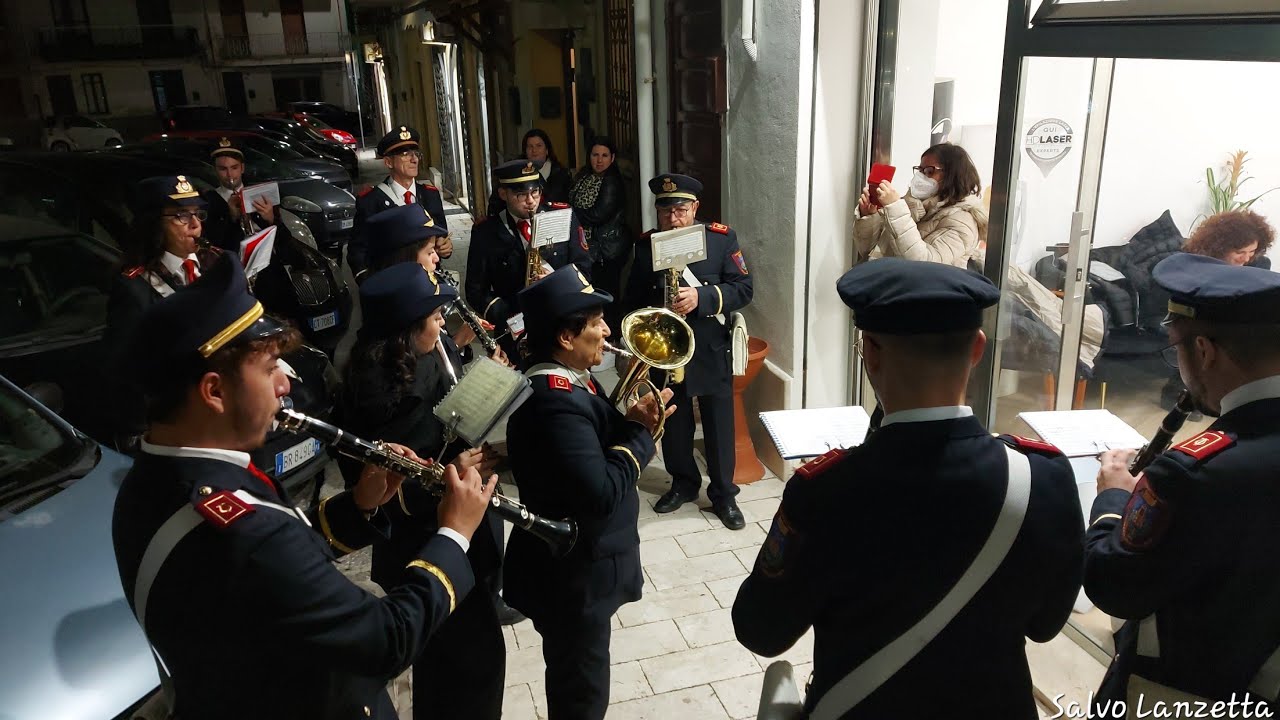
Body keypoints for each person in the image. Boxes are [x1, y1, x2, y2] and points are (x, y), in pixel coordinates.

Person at [110, 253, 496, 720]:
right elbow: (385, 639)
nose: (285, 386)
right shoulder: (243, 530)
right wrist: (454, 533)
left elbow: (279, 581)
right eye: (271, 367)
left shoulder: (150, 480)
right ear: (213, 392)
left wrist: (358, 507)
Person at [733, 258, 1084, 719]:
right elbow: (1044, 625)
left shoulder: (824, 492)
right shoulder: (1043, 478)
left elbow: (761, 630)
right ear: (977, 349)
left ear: (871, 352)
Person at [1085, 253, 1280, 715]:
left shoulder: (1192, 472)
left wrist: (1114, 497)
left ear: (1206, 352)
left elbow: (1112, 583)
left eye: (1177, 347)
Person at [503, 265, 673, 720]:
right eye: (595, 322)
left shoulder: (567, 378)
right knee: (582, 693)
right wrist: (639, 436)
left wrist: (624, 418)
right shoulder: (555, 399)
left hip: (571, 572)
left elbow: (587, 441)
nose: (607, 331)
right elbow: (598, 492)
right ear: (564, 337)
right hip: (574, 579)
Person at [341, 262, 507, 720]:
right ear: (404, 331)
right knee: (468, 667)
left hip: (457, 530)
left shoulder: (422, 358)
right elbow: (388, 489)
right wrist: (452, 465)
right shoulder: (383, 394)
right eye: (434, 318)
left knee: (468, 661)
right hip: (423, 544)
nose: (443, 324)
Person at [626, 173, 753, 530]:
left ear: (695, 208)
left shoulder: (720, 240)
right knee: (674, 419)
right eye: (665, 211)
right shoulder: (645, 244)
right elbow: (633, 298)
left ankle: (724, 494)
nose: (673, 218)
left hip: (710, 345)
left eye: (680, 210)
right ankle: (683, 482)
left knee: (718, 424)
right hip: (665, 349)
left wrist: (703, 297)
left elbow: (743, 288)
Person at [104, 175, 219, 444]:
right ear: (154, 224)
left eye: (197, 214)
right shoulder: (135, 286)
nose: (195, 225)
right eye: (181, 216)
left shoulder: (215, 265)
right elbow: (124, 368)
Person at [465, 158, 592, 365]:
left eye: (535, 193)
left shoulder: (562, 215)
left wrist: (558, 281)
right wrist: (508, 316)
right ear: (503, 194)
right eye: (521, 195)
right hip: (514, 330)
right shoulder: (485, 232)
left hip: (561, 322)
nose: (531, 201)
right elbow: (475, 290)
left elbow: (584, 267)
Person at [854, 142, 985, 268]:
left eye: (929, 171)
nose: (920, 177)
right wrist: (869, 217)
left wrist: (896, 208)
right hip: (886, 286)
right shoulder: (910, 206)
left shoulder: (963, 222)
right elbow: (868, 250)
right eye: (920, 170)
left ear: (952, 175)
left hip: (921, 291)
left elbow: (924, 264)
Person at [350, 125, 452, 282]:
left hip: (428, 282)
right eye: (405, 154)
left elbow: (441, 236)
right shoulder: (371, 201)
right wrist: (369, 284)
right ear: (388, 162)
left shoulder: (429, 195)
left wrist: (444, 247)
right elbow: (357, 251)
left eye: (416, 154)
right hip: (393, 285)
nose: (414, 159)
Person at [570, 136, 630, 332]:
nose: (599, 160)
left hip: (607, 250)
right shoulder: (585, 176)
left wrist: (570, 213)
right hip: (591, 246)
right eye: (595, 154)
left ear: (612, 158)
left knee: (607, 295)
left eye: (604, 155)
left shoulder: (611, 181)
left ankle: (610, 335)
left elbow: (597, 215)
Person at [200, 137, 275, 252]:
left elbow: (283, 241)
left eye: (234, 168)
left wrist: (271, 221)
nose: (229, 175)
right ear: (215, 170)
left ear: (242, 168)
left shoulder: (261, 193)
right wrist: (232, 217)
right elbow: (215, 245)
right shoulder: (208, 201)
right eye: (222, 169)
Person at [487, 129, 573, 215]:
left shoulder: (561, 174)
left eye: (539, 146)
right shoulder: (512, 173)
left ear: (547, 150)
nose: (534, 150)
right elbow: (496, 205)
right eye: (530, 146)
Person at [1184, 208, 1274, 268]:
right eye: (1240, 252)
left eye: (1252, 251)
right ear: (1219, 248)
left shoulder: (1259, 266)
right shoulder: (1194, 267)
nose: (1246, 258)